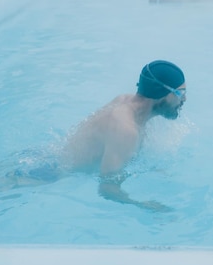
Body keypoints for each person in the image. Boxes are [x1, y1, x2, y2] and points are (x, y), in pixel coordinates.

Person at [60, 60, 187, 212]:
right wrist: (144, 206)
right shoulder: (125, 130)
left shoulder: (128, 104)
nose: (184, 99)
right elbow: (107, 188)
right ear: (161, 93)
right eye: (180, 93)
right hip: (50, 177)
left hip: (56, 162)